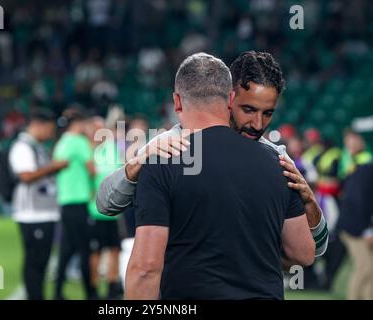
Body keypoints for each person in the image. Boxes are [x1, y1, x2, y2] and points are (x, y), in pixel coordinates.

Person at [97, 51, 328, 260]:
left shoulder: (274, 158)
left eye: (267, 113)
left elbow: (312, 251)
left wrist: (309, 203)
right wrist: (138, 161)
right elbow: (106, 204)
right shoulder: (173, 142)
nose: (258, 124)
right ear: (228, 99)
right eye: (248, 110)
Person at [8, 108, 68, 300]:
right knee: (35, 261)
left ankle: (38, 295)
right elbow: (26, 175)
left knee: (42, 260)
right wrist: (53, 167)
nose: (51, 133)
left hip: (44, 211)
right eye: (49, 128)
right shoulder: (23, 147)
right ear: (37, 125)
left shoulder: (37, 146)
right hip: (32, 213)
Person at [52, 108, 96, 300]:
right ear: (77, 124)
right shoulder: (79, 142)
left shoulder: (61, 143)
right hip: (79, 201)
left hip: (65, 201)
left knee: (68, 249)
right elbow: (92, 169)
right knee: (84, 249)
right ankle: (91, 293)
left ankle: (57, 292)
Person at [86, 116, 123, 299]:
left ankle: (112, 286)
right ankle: (93, 289)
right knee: (96, 251)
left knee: (114, 249)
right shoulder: (88, 152)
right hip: (94, 210)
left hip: (112, 211)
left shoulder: (111, 149)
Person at [337, 163, 373, 300]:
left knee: (370, 271)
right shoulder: (367, 171)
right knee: (364, 269)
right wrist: (368, 231)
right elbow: (358, 201)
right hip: (354, 228)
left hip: (362, 226)